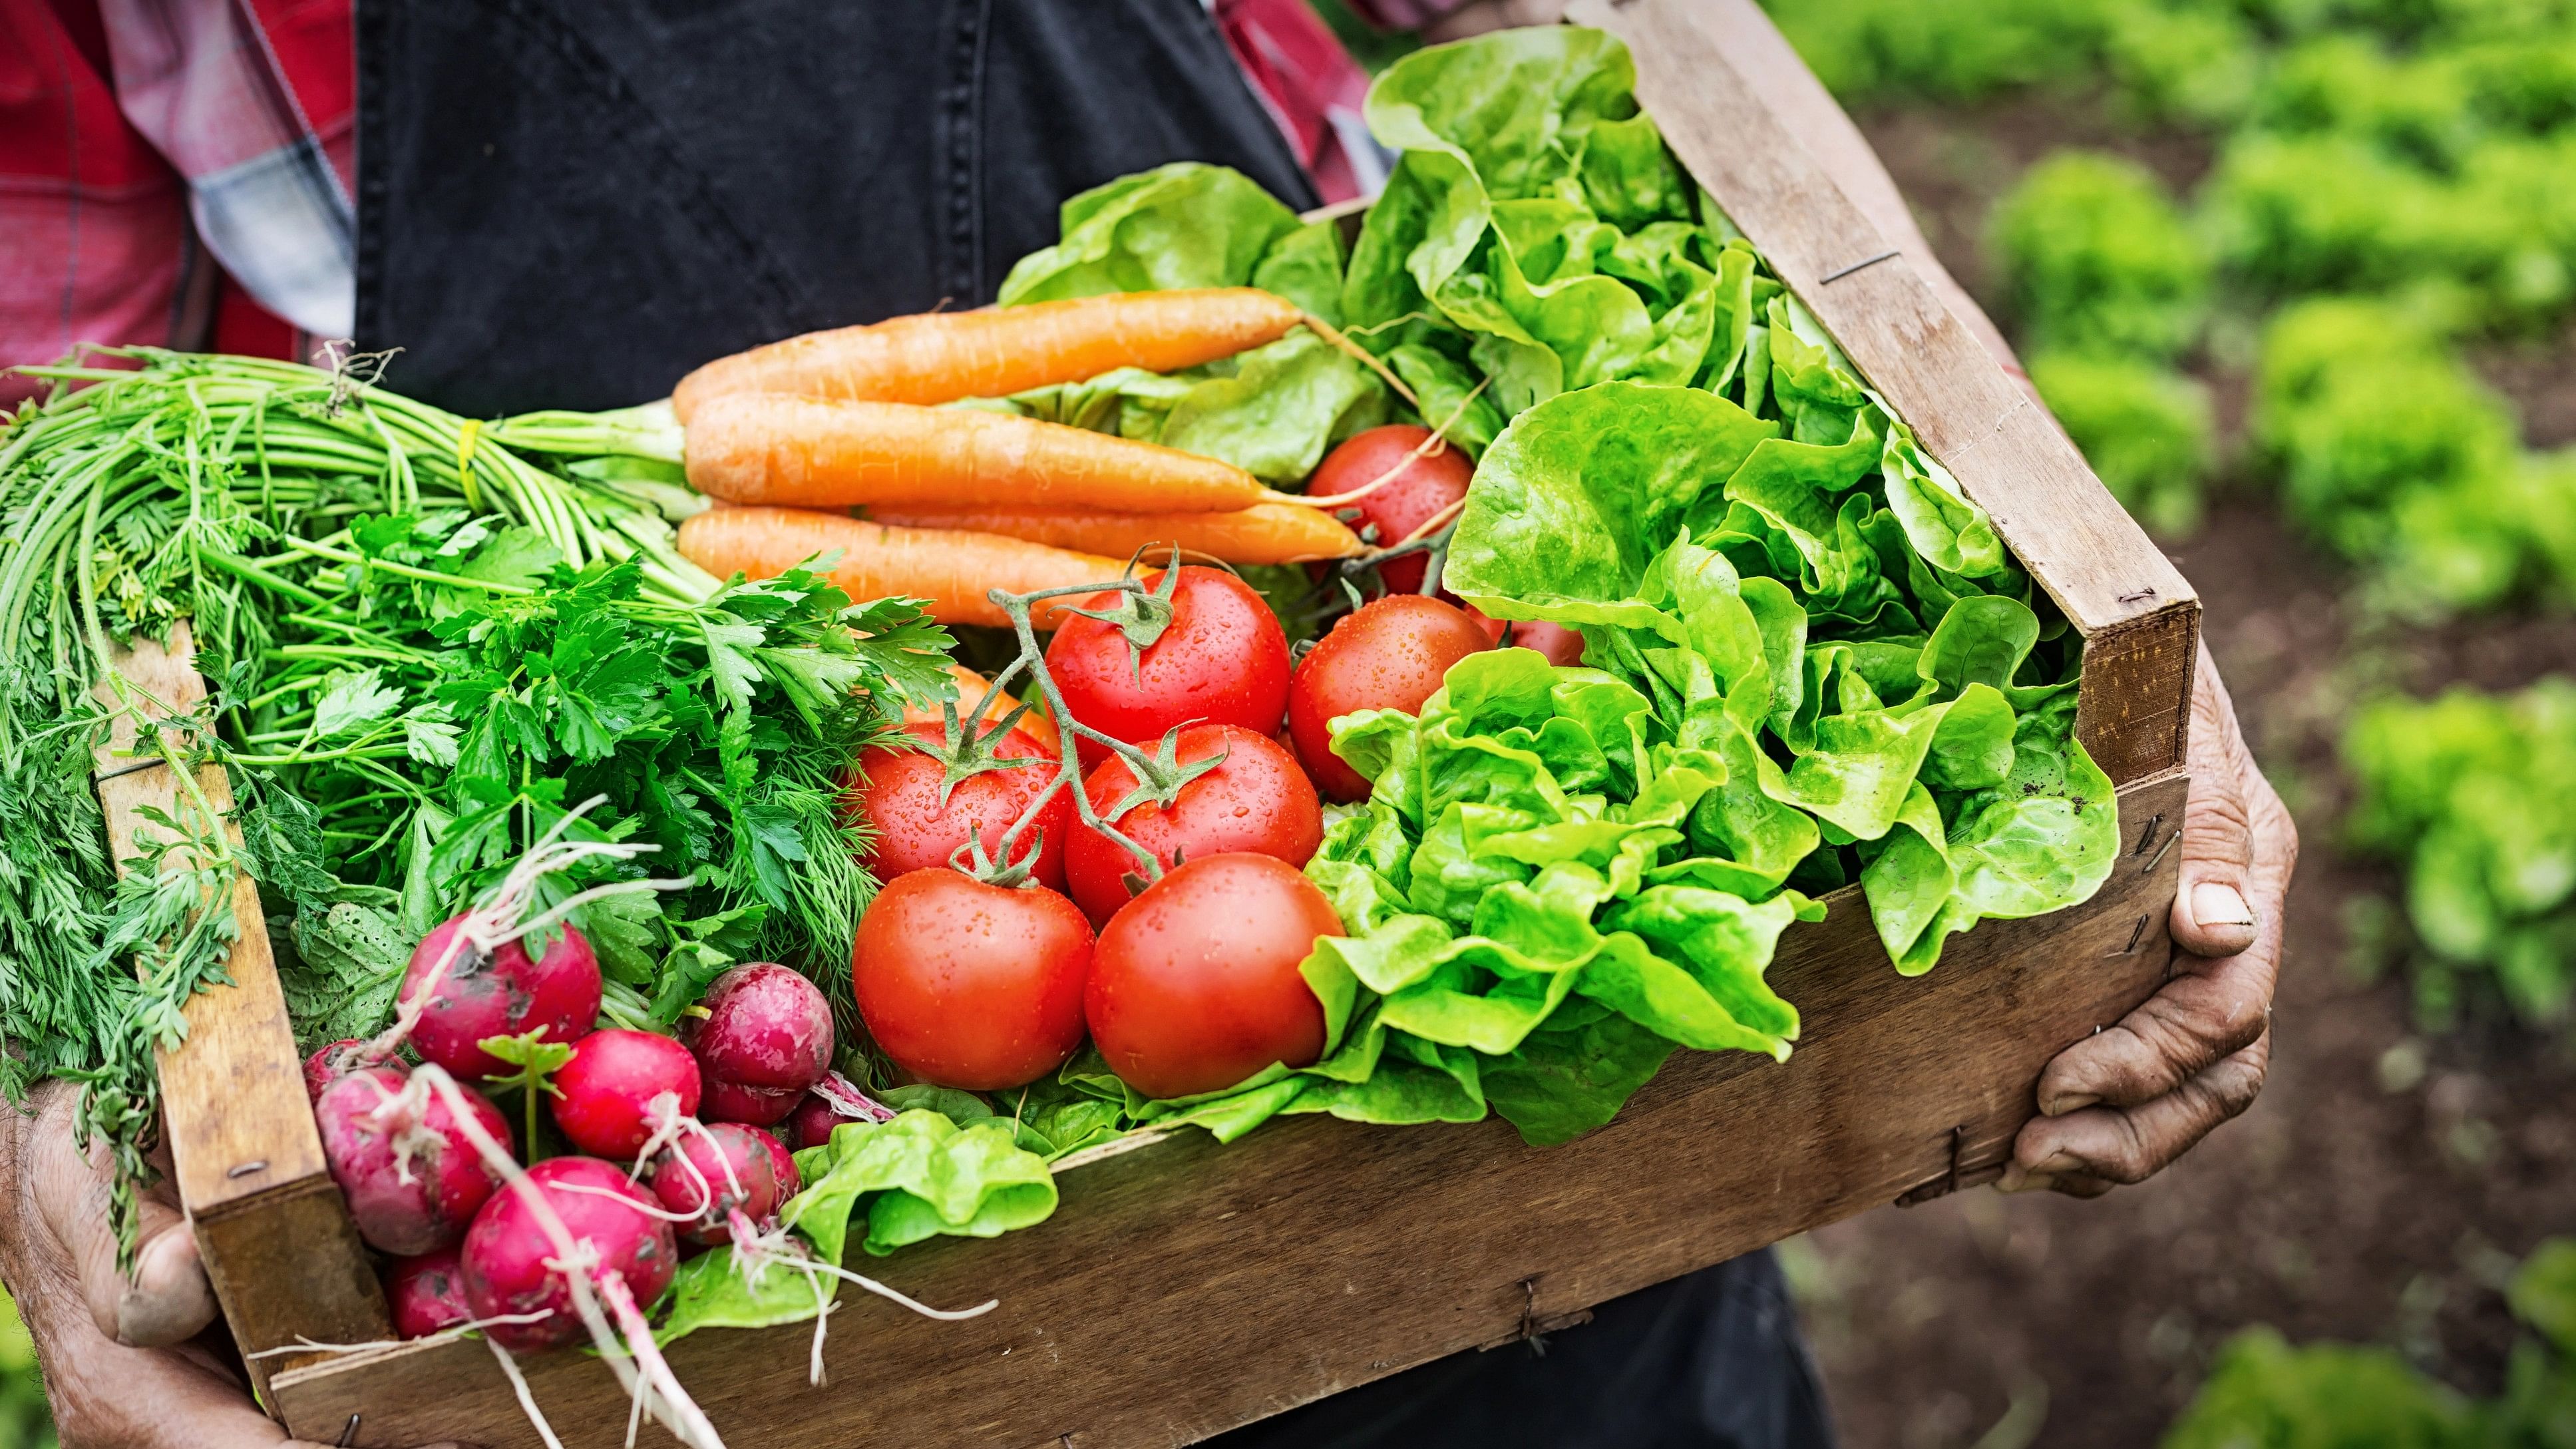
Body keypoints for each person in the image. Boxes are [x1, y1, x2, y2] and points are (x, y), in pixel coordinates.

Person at [0, 3, 2297, 1446]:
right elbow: (43, 469)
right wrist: (63, 1115)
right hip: (563, 868)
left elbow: (1611, 39)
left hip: (1362, 663)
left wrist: (2051, 549)